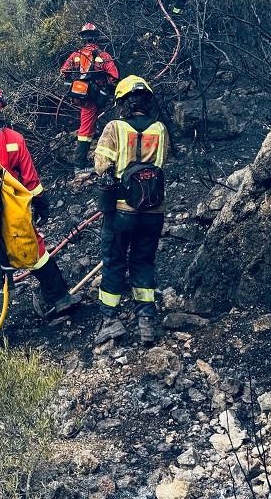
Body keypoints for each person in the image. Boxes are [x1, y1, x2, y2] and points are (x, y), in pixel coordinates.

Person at [0, 84, 83, 318]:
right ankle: (60, 298)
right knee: (34, 249)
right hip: (13, 210)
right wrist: (41, 203)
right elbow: (31, 179)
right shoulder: (15, 138)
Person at [92, 76, 171, 346]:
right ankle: (146, 321)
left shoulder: (115, 127)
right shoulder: (160, 129)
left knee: (114, 261)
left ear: (122, 102)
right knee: (143, 262)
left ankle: (109, 320)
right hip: (154, 210)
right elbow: (161, 162)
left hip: (122, 211)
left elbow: (102, 166)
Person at [60, 24, 119, 173]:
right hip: (92, 97)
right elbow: (114, 77)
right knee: (86, 129)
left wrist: (71, 83)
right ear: (96, 37)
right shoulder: (103, 56)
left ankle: (84, 159)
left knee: (89, 123)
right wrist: (107, 89)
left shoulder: (76, 55)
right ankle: (79, 165)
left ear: (83, 38)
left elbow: (64, 71)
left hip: (79, 94)